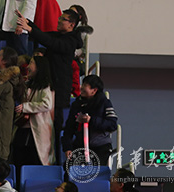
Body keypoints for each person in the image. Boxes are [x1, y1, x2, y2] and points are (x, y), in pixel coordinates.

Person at [17, 9, 83, 164]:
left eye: (63, 19)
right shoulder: (59, 35)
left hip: (59, 91)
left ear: (71, 24)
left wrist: (30, 29)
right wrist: (28, 22)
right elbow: (43, 35)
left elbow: (51, 42)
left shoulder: (71, 41)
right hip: (49, 87)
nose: (59, 20)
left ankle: (54, 162)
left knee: (55, 129)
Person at [62, 75, 118, 168]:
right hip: (80, 146)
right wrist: (67, 148)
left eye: (85, 85)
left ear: (94, 90)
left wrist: (91, 120)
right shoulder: (76, 104)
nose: (81, 87)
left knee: (95, 172)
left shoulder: (104, 103)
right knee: (69, 168)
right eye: (82, 84)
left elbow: (112, 125)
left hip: (100, 146)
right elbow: (69, 128)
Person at [13, 53, 55, 165]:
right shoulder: (27, 84)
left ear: (39, 67)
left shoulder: (45, 86)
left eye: (31, 63)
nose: (28, 66)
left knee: (34, 159)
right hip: (24, 127)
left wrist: (26, 107)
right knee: (18, 158)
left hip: (35, 129)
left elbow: (47, 104)